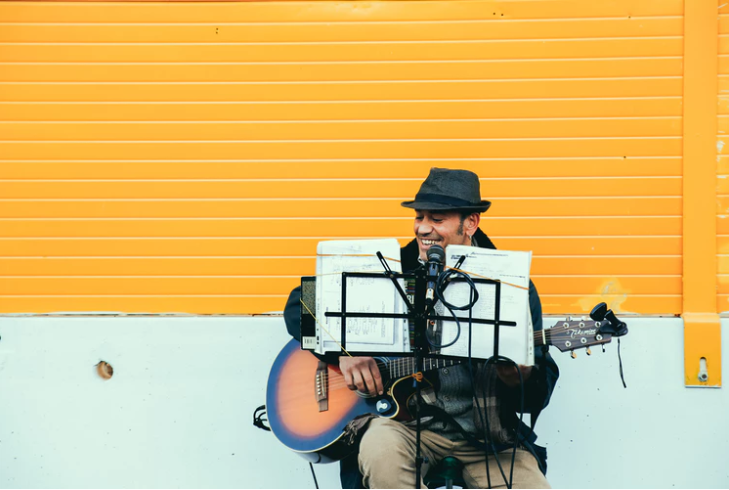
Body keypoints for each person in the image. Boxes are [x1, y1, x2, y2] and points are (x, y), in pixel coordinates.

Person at [284, 168, 559, 489]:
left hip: (486, 436)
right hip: (401, 424)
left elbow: (538, 389)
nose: (423, 228)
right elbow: (300, 302)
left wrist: (518, 377)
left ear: (470, 223)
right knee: (379, 454)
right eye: (419, 216)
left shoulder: (512, 286)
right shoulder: (392, 267)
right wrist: (344, 351)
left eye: (437, 218)